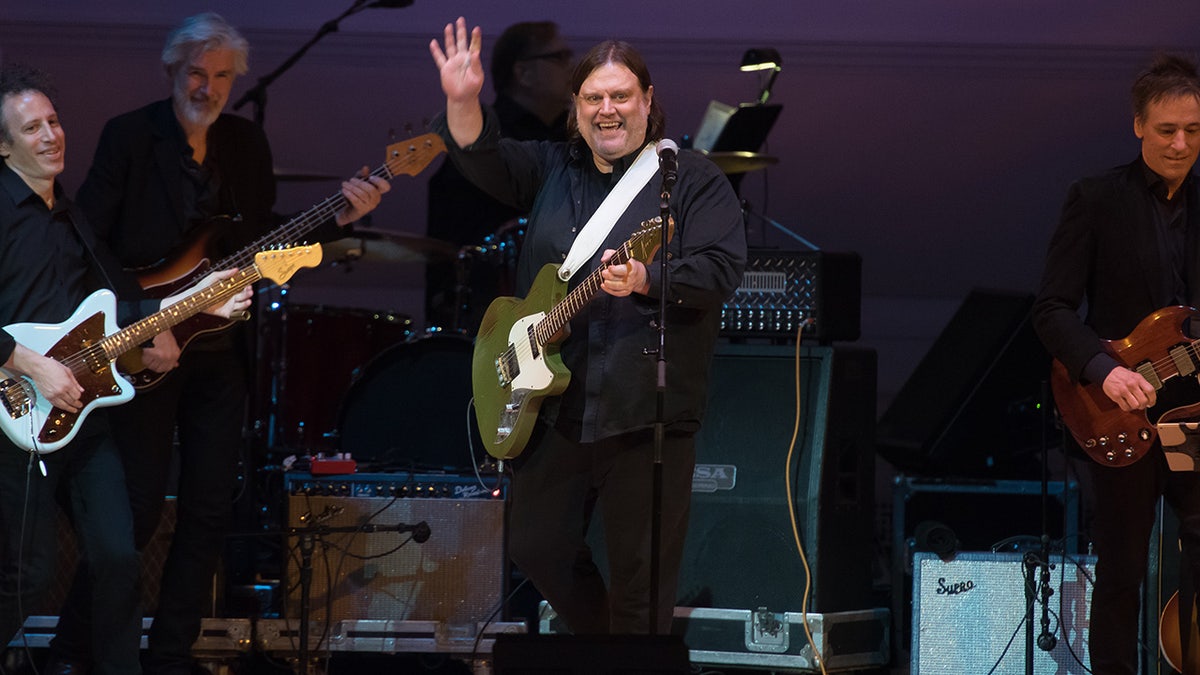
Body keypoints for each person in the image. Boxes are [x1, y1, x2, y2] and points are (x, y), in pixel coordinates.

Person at [46, 13, 390, 675]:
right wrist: (153, 321)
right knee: (140, 512)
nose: (208, 88)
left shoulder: (244, 145)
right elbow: (89, 246)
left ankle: (171, 654)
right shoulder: (130, 137)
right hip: (139, 343)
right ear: (173, 71)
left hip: (219, 351)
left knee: (209, 507)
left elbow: (258, 249)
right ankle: (71, 650)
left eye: (222, 77)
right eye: (197, 74)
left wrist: (339, 220)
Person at [428, 17, 746, 634]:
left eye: (621, 96)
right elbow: (483, 157)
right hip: (555, 407)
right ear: (575, 108)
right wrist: (462, 100)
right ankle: (609, 651)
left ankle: (628, 653)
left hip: (644, 414)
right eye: (593, 98)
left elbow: (719, 269)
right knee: (535, 546)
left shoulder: (690, 180)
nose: (607, 110)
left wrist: (649, 280)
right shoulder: (551, 168)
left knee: (641, 587)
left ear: (648, 102)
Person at [0, 64, 250, 675]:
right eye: (32, 128)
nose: (51, 135)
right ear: (4, 146)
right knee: (25, 575)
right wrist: (31, 363)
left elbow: (115, 309)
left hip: (80, 415)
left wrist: (196, 301)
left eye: (54, 121)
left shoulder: (74, 216)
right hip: (14, 408)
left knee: (117, 558)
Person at [1033, 53, 1200, 674]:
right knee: (1122, 569)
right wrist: (1104, 370)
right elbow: (1050, 308)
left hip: (1195, 419)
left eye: (1193, 130)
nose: (1181, 144)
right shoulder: (1096, 198)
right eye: (1166, 130)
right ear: (1138, 126)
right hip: (1122, 411)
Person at [425, 20, 572, 332]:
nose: (572, 66)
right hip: (491, 309)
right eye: (559, 57)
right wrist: (463, 103)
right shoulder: (489, 132)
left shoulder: (573, 132)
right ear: (524, 73)